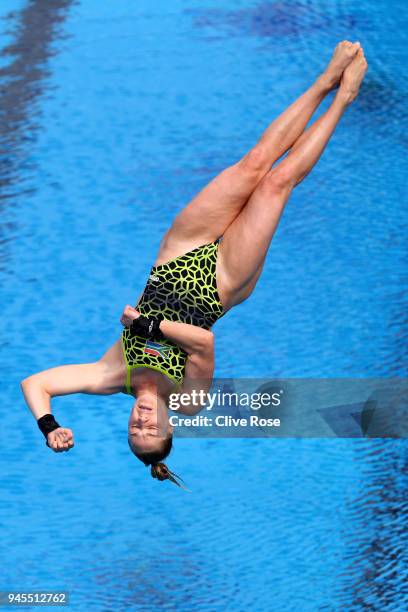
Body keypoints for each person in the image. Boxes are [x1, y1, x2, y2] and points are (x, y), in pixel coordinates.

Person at [21, 42, 368, 487]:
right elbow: (203, 345)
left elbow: (35, 384)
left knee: (254, 163)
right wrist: (147, 328)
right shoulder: (188, 403)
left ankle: (324, 81)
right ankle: (344, 99)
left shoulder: (111, 376)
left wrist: (49, 427)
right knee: (276, 185)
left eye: (135, 429)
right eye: (152, 430)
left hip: (176, 255)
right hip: (222, 281)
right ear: (168, 427)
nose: (142, 422)